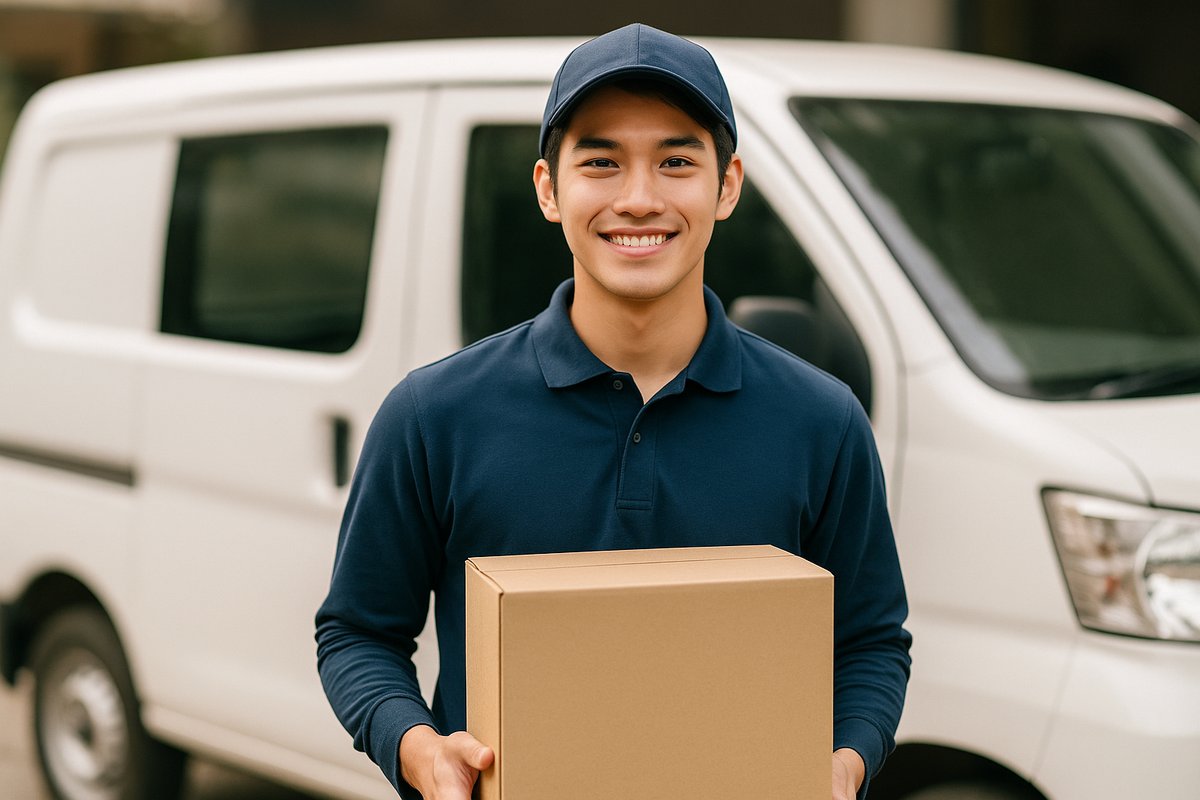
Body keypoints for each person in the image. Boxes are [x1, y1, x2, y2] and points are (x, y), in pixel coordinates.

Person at [316, 22, 911, 800]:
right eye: (601, 161)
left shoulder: (821, 421)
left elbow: (869, 644)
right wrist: (419, 749)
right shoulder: (434, 415)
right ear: (548, 188)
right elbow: (357, 632)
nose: (639, 198)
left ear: (727, 186)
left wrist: (843, 764)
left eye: (676, 161)